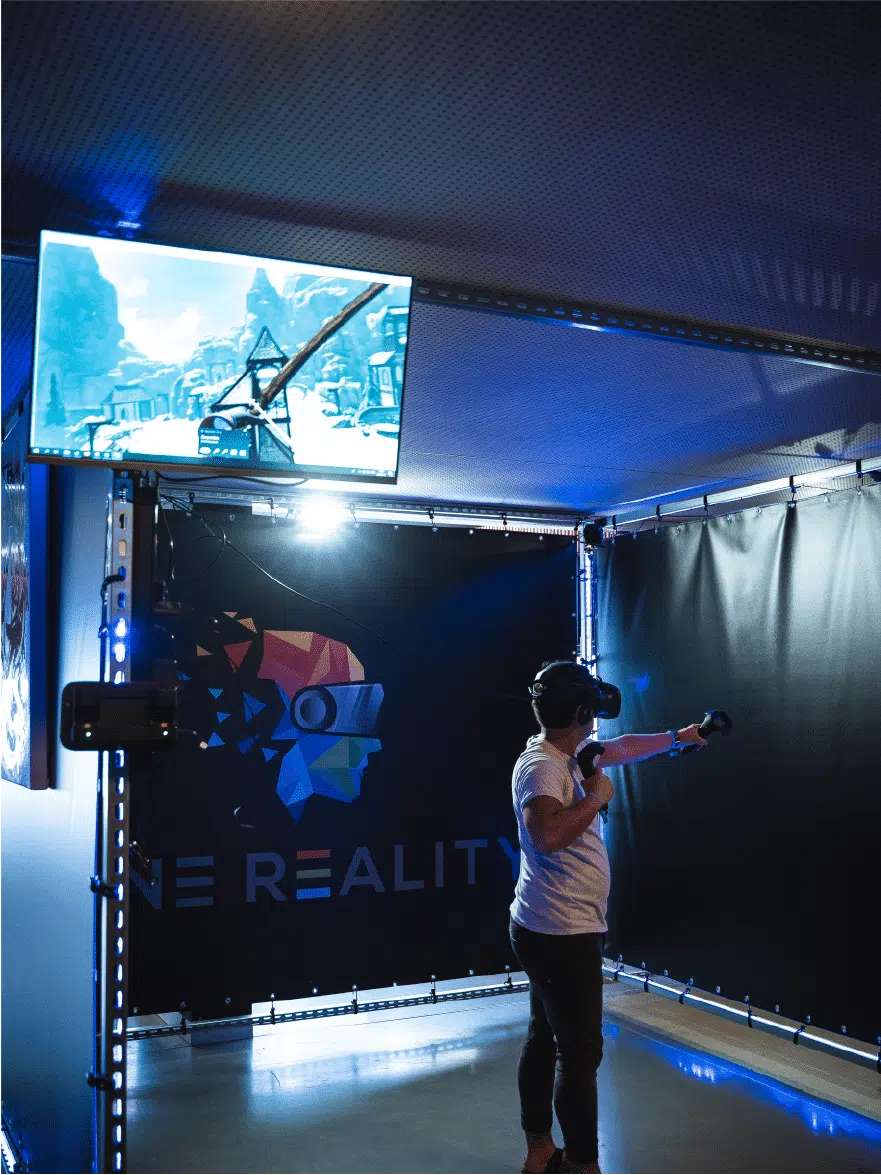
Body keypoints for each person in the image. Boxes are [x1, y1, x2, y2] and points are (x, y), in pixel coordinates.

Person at [510, 661, 708, 1175]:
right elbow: (547, 836)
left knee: (545, 1036)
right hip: (562, 933)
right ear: (579, 712)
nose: (597, 718)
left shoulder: (566, 755)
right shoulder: (544, 767)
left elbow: (620, 748)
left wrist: (679, 737)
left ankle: (540, 1152)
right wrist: (597, 798)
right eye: (591, 709)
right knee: (579, 1055)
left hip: (552, 926)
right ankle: (582, 1165)